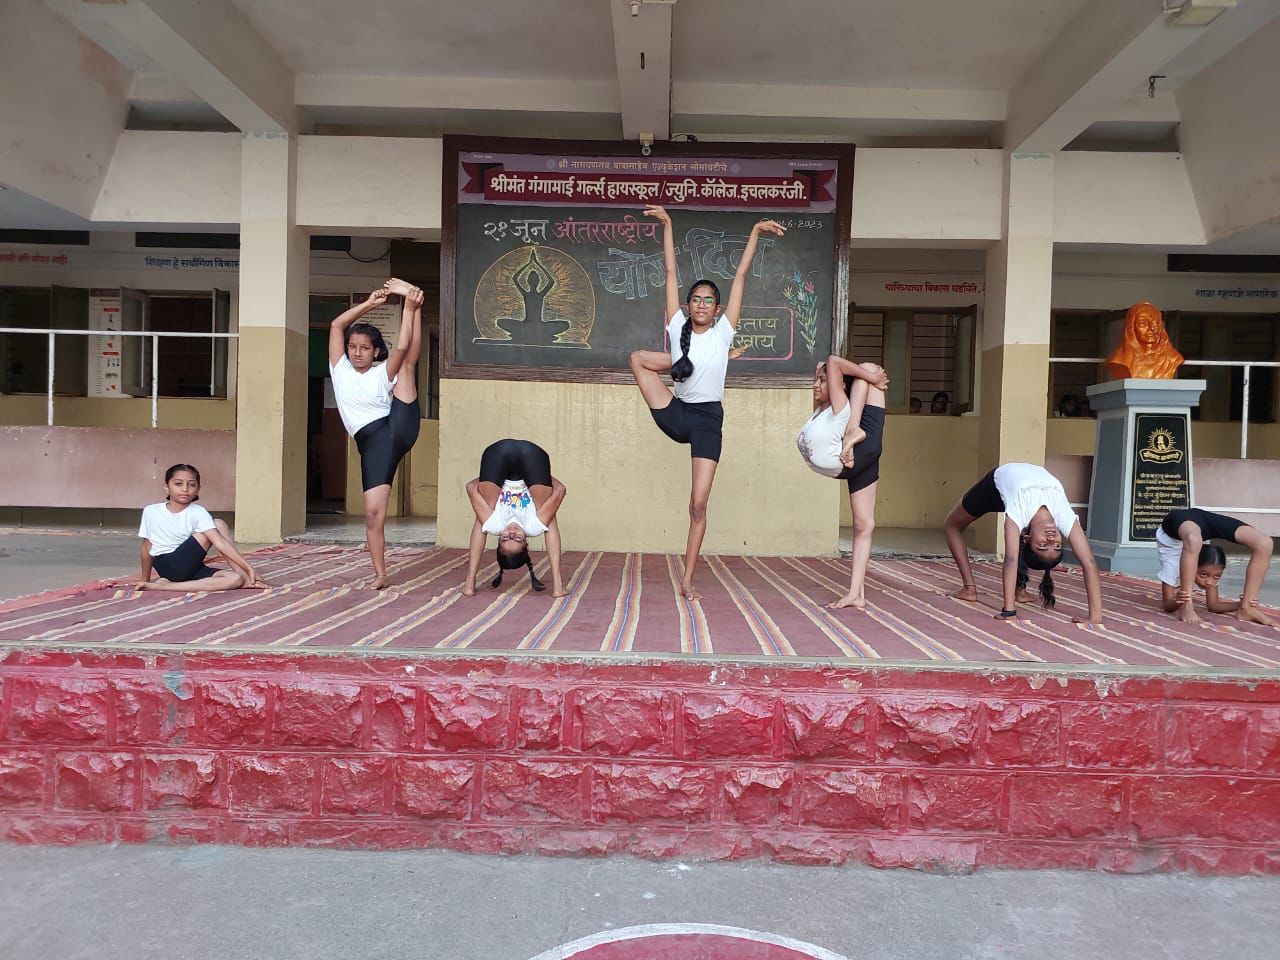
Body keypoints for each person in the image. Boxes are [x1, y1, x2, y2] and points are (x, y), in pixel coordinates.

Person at [628, 204, 785, 600]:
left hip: (707, 421)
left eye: (707, 301)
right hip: (676, 413)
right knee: (637, 359)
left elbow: (741, 276)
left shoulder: (723, 332)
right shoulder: (678, 325)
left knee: (698, 505)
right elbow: (668, 272)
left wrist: (755, 230)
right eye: (695, 299)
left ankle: (686, 578)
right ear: (687, 306)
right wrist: (667, 224)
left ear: (717, 310)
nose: (700, 304)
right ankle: (683, 365)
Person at [328, 278, 424, 589]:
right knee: (372, 514)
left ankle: (413, 303)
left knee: (407, 364)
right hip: (372, 445)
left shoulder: (382, 372)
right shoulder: (339, 369)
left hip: (397, 426)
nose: (357, 353)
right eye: (353, 347)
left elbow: (403, 348)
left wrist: (408, 309)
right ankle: (381, 573)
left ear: (374, 351)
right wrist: (370, 303)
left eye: (364, 348)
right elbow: (336, 324)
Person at [943, 462, 1104, 623]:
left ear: (1027, 538)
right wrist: (1095, 616)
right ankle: (1019, 590)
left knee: (952, 525)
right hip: (1020, 483)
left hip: (994, 487)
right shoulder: (1063, 514)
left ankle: (969, 589)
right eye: (1057, 545)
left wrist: (1009, 611)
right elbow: (1088, 561)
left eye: (1042, 545)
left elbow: (1011, 559)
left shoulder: (1018, 510)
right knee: (1017, 532)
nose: (1051, 539)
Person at [796, 355, 891, 609]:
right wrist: (821, 374)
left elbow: (833, 361)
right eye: (816, 381)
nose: (816, 385)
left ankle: (853, 432)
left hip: (860, 448)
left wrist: (871, 377)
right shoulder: (821, 411)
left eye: (823, 381)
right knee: (864, 525)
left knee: (869, 368)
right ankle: (856, 594)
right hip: (853, 462)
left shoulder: (839, 407)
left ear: (839, 387)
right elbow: (826, 368)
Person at [462, 439, 568, 598]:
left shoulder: (493, 524)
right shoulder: (534, 525)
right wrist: (544, 477)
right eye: (517, 538)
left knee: (485, 511)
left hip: (498, 454)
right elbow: (560, 490)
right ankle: (558, 586)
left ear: (498, 540)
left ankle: (469, 583)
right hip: (531, 457)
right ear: (526, 543)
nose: (512, 532)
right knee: (546, 510)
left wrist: (486, 480)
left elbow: (471, 487)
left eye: (506, 538)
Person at [136, 464, 266, 591]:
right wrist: (144, 578)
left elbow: (220, 544)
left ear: (198, 489)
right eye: (178, 484)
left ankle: (166, 586)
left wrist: (248, 567)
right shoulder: (151, 511)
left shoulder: (198, 511)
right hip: (167, 565)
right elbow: (147, 546)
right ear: (166, 487)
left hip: (191, 566)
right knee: (217, 525)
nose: (185, 489)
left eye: (191, 485)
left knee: (234, 579)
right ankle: (246, 576)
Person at [1157, 508, 1274, 626]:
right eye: (1203, 575)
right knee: (1193, 540)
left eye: (1216, 576)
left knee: (1265, 543)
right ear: (1194, 566)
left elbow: (1213, 605)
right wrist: (1180, 600)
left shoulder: (1210, 566)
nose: (1209, 582)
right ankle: (1186, 605)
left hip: (1201, 522)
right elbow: (1167, 605)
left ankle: (1247, 608)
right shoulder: (1172, 564)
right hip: (1176, 524)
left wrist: (1241, 603)